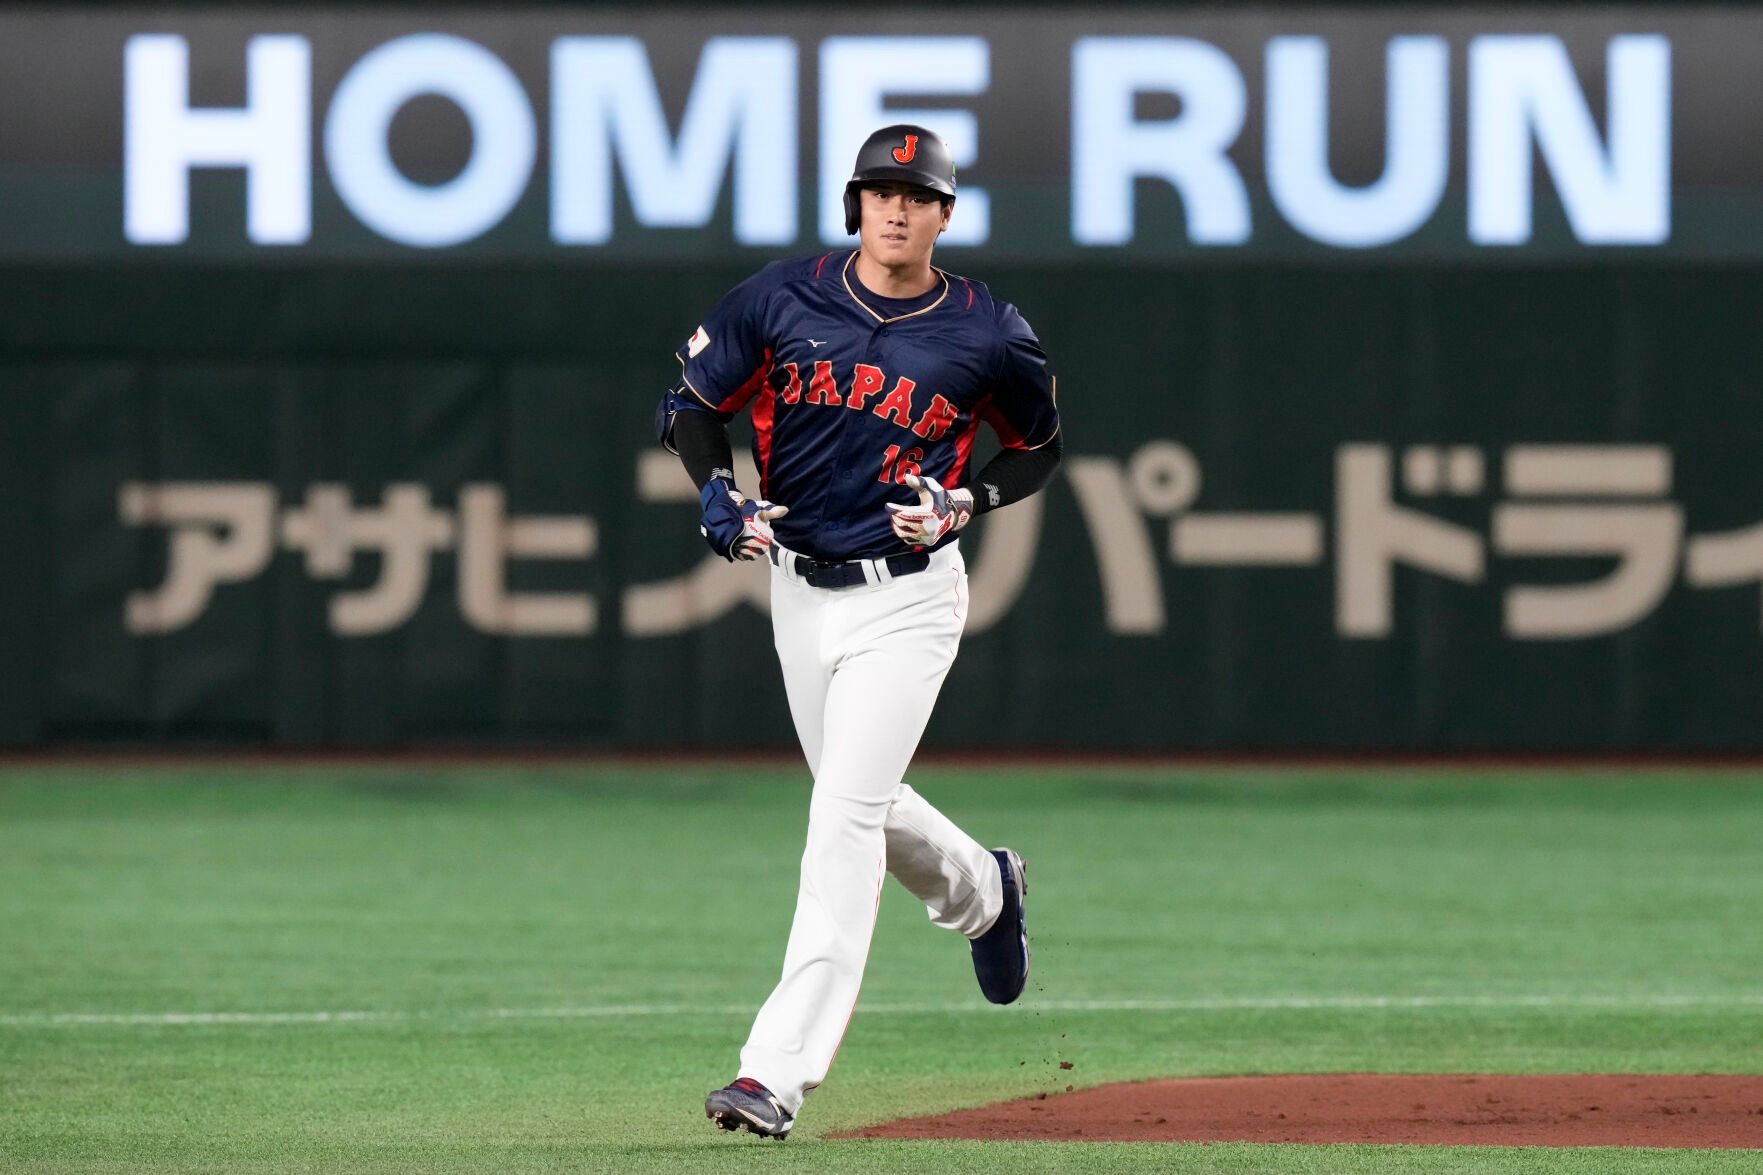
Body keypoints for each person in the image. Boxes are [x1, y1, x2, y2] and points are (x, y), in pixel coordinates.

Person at [653, 124, 1064, 1140]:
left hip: (908, 595)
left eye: (915, 194)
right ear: (855, 205)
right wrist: (714, 487)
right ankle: (983, 888)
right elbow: (690, 405)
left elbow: (1039, 449)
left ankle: (774, 1071)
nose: (895, 207)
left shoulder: (985, 330)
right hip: (799, 588)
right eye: (879, 189)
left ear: (941, 215)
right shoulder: (781, 299)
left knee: (838, 816)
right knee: (862, 805)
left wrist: (968, 497)